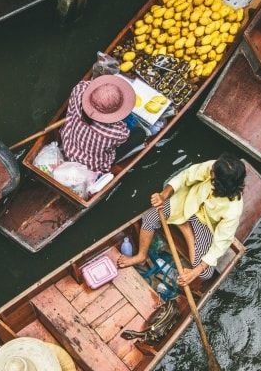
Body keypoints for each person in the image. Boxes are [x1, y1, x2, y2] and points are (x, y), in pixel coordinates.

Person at [117, 154, 246, 285]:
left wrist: (195, 271)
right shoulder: (215, 166)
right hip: (187, 203)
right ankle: (141, 256)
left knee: (205, 273)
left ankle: (186, 230)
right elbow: (186, 175)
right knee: (149, 218)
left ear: (219, 184)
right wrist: (163, 195)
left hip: (205, 224)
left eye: (213, 174)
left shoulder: (233, 210)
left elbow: (221, 242)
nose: (210, 170)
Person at [59, 75, 136, 173]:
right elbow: (120, 140)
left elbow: (85, 84)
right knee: (140, 133)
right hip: (92, 164)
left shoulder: (78, 90)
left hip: (68, 146)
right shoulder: (118, 133)